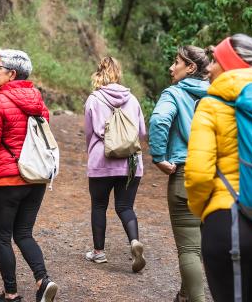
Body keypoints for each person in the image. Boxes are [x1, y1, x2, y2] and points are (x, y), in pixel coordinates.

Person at [184, 34, 252, 302]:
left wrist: (207, 213)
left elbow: (198, 176)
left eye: (215, 60)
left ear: (230, 66)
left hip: (228, 220)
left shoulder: (211, 106)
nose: (209, 68)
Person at [0, 49, 58, 302]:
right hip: (36, 179)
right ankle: (43, 280)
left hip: (7, 181)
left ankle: (11, 294)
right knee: (24, 233)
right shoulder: (38, 102)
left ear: (12, 74)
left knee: (2, 237)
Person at [149, 46, 209, 302]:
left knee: (189, 249)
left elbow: (159, 121)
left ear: (191, 68)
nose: (171, 68)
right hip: (217, 177)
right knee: (203, 245)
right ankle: (185, 295)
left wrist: (159, 157)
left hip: (186, 174)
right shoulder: (217, 95)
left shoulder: (173, 93)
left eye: (176, 62)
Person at [84, 56, 147, 273]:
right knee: (125, 207)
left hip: (102, 160)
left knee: (99, 206)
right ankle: (134, 242)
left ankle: (99, 253)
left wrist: (92, 153)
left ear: (99, 73)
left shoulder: (93, 99)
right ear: (118, 73)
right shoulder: (133, 99)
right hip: (130, 162)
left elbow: (89, 133)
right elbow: (141, 133)